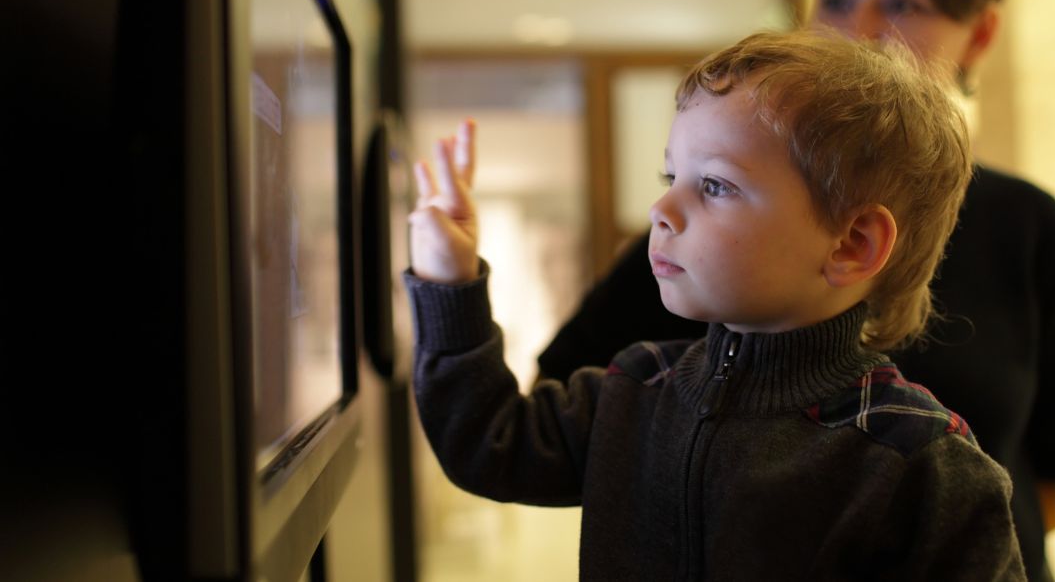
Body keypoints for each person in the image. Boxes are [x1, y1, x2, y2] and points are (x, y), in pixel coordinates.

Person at [535, 0, 1055, 579]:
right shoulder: (711, 223)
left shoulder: (1034, 228)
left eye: (905, 2)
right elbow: (566, 417)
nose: (863, 27)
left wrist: (933, 534)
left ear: (980, 34)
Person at [406, 30, 1024, 580]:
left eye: (715, 185)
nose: (662, 211)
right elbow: (488, 443)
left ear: (852, 243)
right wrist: (449, 284)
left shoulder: (920, 463)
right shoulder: (636, 390)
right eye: (668, 179)